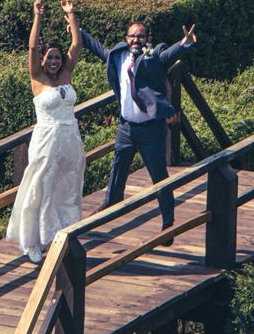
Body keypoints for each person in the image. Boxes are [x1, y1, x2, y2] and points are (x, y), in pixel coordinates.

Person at [81, 21, 196, 244]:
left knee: (158, 175)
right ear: (126, 38)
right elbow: (96, 48)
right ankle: (111, 203)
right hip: (126, 127)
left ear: (147, 39)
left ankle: (168, 222)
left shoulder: (155, 55)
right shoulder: (117, 56)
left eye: (140, 37)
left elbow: (169, 54)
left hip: (151, 128)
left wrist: (185, 43)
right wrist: (77, 29)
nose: (136, 40)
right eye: (132, 36)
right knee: (118, 168)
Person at [6, 0, 86, 264]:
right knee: (42, 187)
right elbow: (31, 46)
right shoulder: (37, 78)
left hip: (70, 138)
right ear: (42, 60)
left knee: (68, 186)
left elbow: (77, 45)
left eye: (57, 57)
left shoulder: (66, 74)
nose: (54, 61)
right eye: (49, 57)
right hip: (46, 139)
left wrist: (71, 15)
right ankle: (33, 240)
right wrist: (37, 16)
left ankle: (62, 233)